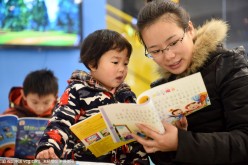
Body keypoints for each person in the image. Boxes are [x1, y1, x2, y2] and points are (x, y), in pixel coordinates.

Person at [131, 0, 248, 164]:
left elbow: (244, 142)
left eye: (173, 43)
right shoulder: (160, 90)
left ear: (190, 29)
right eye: (156, 51)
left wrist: (181, 141)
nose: (169, 56)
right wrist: (161, 144)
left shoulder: (228, 66)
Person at [35, 29, 149, 165]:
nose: (122, 69)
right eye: (115, 62)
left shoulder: (127, 96)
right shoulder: (77, 90)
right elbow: (60, 122)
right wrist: (48, 147)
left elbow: (135, 138)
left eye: (125, 63)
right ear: (92, 64)